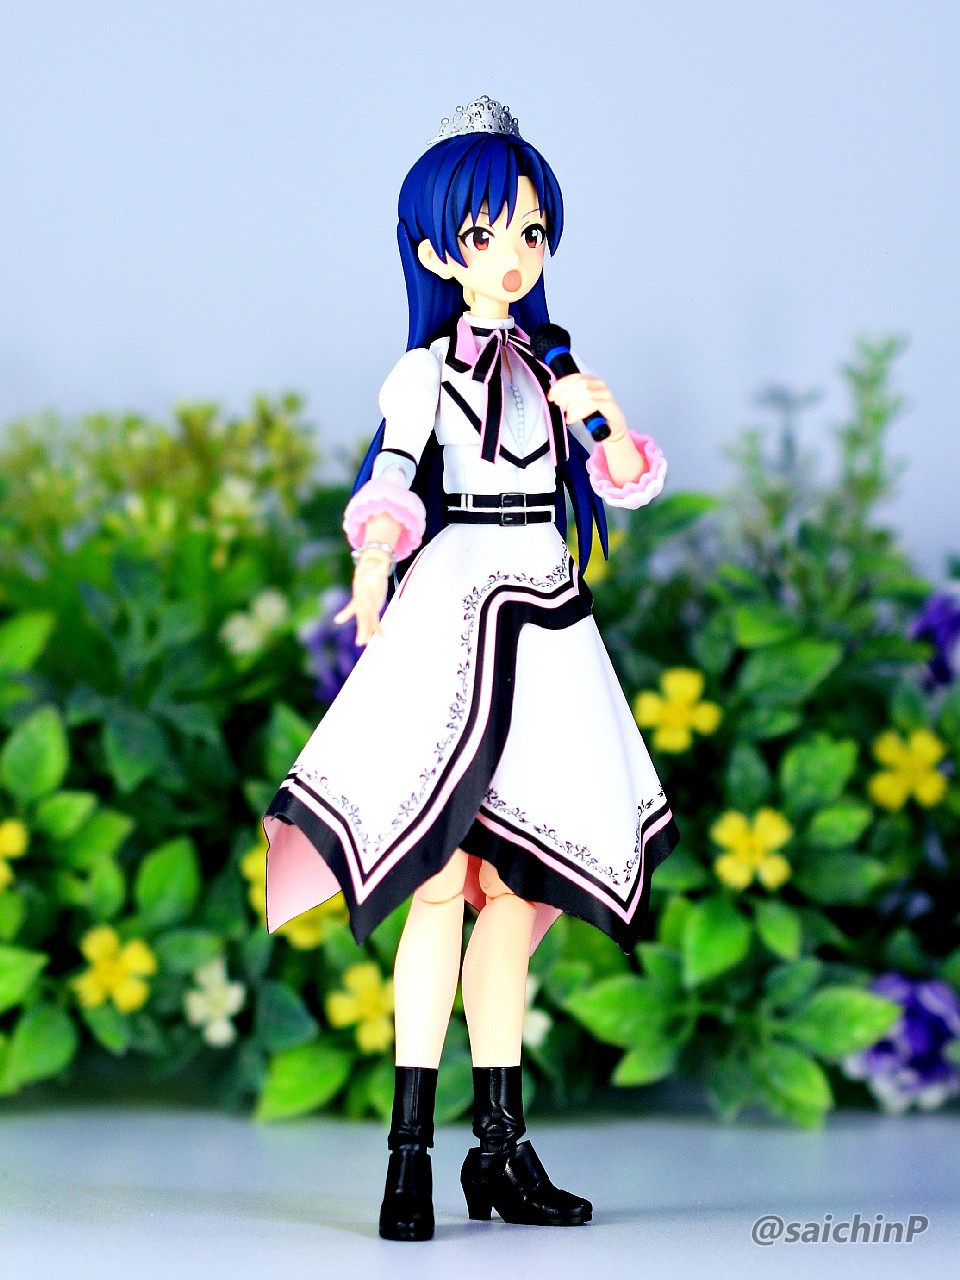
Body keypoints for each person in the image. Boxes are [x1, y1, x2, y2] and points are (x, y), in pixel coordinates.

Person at [261, 95, 680, 1241]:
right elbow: (393, 478)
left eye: (530, 231)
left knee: (519, 892)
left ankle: (501, 1147)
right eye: (486, 233)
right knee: (440, 882)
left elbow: (627, 480)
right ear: (439, 250)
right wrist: (374, 560)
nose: (513, 254)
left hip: (546, 616)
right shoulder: (424, 373)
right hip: (455, 611)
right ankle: (409, 1154)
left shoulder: (554, 365)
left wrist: (608, 420)